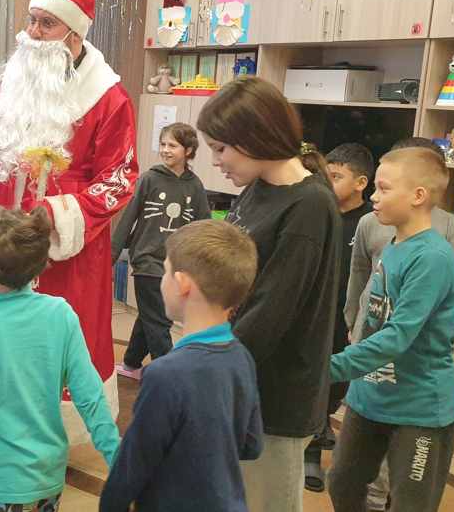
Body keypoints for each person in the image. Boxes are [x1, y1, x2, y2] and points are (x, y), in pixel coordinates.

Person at [0, 0, 138, 439]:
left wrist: (58, 212)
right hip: (2, 238)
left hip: (67, 252)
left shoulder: (109, 99)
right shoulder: (10, 82)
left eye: (45, 23)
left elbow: (119, 178)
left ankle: (52, 433)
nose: (31, 32)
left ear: (73, 33)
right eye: (31, 19)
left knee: (57, 342)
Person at [196, 76, 342, 512]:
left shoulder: (309, 204)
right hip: (240, 376)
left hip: (275, 394)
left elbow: (269, 312)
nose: (218, 162)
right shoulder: (258, 188)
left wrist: (204, 370)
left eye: (221, 149)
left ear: (253, 135)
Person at [0, 206, 121, 512]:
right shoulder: (61, 315)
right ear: (40, 265)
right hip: (47, 481)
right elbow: (90, 397)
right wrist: (117, 457)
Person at [327, 147, 454, 512]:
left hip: (418, 411)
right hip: (368, 399)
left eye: (384, 188)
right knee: (342, 484)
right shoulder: (393, 242)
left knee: (410, 505)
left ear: (418, 196)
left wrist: (327, 369)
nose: (373, 196)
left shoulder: (432, 257)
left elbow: (397, 336)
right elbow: (372, 320)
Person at [100, 219, 262, 512]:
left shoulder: (165, 374)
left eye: (164, 271)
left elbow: (132, 467)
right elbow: (251, 445)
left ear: (182, 283)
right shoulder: (243, 357)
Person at [111, 122, 211, 379]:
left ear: (188, 150)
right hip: (147, 261)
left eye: (172, 146)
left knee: (150, 316)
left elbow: (204, 226)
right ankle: (169, 377)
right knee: (160, 321)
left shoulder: (195, 185)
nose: (165, 150)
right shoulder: (149, 178)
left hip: (177, 264)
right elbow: (128, 218)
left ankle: (132, 363)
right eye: (163, 145)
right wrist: (110, 257)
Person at [303, 143, 374, 491]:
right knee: (310, 380)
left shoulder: (371, 223)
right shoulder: (318, 210)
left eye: (336, 176)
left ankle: (320, 429)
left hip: (346, 324)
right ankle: (311, 452)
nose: (328, 182)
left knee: (335, 384)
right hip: (314, 314)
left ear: (361, 182)